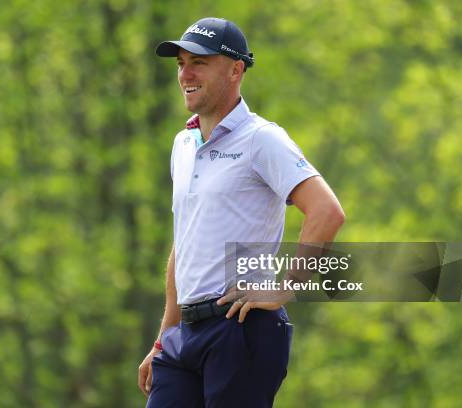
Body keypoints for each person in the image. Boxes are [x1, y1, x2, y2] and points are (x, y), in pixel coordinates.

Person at [138, 17, 345, 407]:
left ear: (236, 70)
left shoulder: (261, 139)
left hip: (240, 328)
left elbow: (326, 211)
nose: (186, 74)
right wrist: (163, 337)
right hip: (184, 337)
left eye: (199, 62)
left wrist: (288, 286)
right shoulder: (183, 144)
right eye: (181, 63)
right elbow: (185, 242)